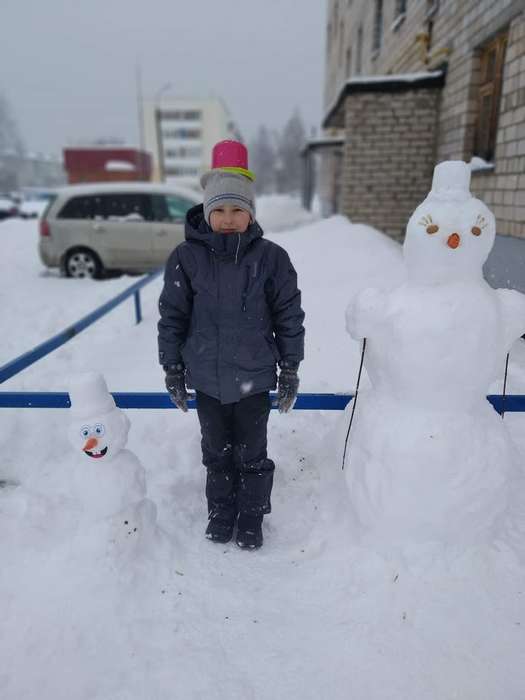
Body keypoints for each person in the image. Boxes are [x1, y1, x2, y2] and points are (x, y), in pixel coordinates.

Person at [158, 140, 305, 549]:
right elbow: (172, 317)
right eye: (219, 210)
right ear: (207, 212)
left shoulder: (272, 258)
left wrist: (290, 367)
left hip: (254, 379)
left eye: (237, 209)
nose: (227, 219)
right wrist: (172, 368)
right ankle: (221, 511)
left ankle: (252, 516)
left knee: (252, 454)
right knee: (216, 453)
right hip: (206, 378)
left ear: (251, 213)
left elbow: (289, 316)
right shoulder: (185, 259)